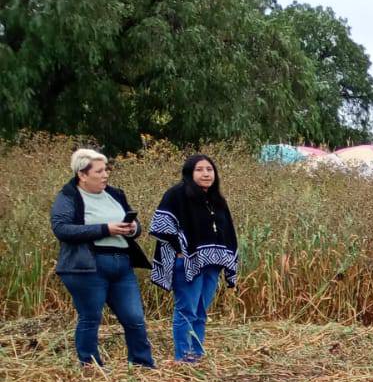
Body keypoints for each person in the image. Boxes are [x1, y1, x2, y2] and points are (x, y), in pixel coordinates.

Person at [50, 148, 154, 368]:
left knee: (134, 317)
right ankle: (90, 365)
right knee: (91, 318)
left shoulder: (115, 194)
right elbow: (62, 229)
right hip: (87, 266)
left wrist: (133, 228)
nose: (105, 174)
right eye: (99, 171)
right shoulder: (68, 197)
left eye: (106, 169)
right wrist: (105, 229)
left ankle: (143, 364)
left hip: (122, 264)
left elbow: (134, 227)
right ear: (82, 174)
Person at [150, 154, 239, 363]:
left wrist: (227, 258)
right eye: (199, 169)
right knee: (186, 310)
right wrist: (179, 250)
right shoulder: (176, 195)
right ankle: (183, 357)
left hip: (212, 264)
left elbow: (227, 231)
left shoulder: (217, 199)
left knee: (200, 311)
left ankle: (196, 354)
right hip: (187, 263)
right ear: (190, 173)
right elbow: (161, 225)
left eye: (209, 169)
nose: (206, 173)